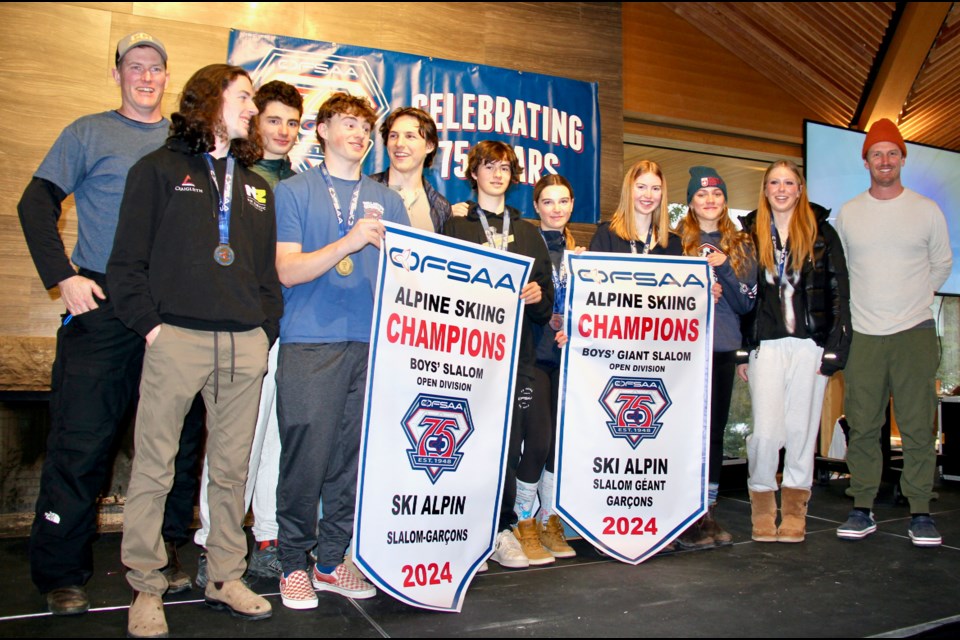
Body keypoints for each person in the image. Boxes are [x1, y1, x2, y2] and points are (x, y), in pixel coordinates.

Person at [16, 31, 201, 614]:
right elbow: (34, 202)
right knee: (81, 441)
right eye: (135, 66)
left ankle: (164, 556)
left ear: (167, 78)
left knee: (175, 442)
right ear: (117, 73)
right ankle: (62, 573)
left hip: (172, 314)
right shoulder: (88, 132)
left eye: (156, 69)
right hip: (103, 308)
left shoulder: (186, 141)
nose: (146, 76)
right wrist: (64, 275)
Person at [108, 63, 282, 636]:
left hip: (243, 345)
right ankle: (146, 586)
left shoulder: (256, 185)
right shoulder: (156, 170)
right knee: (154, 469)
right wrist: (153, 329)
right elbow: (126, 265)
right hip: (175, 338)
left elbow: (264, 275)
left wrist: (264, 329)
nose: (253, 110)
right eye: (245, 98)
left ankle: (226, 574)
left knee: (232, 472)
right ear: (210, 101)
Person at [273, 92, 409, 610]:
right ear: (323, 129)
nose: (359, 132)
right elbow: (288, 270)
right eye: (348, 123)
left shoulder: (389, 201)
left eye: (365, 125)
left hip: (373, 343)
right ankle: (292, 564)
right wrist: (350, 242)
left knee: (351, 460)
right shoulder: (293, 192)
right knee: (307, 458)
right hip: (311, 340)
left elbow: (411, 274)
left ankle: (330, 561)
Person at [193, 79, 305, 586]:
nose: (283, 131)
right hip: (247, 325)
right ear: (255, 121)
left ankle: (267, 538)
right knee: (236, 441)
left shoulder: (305, 184)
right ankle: (213, 544)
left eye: (292, 123)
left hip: (295, 328)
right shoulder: (232, 175)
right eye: (274, 119)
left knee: (279, 440)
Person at [835, 118, 952, 547]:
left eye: (891, 153)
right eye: (876, 154)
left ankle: (920, 510)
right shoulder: (848, 213)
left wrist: (915, 296)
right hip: (864, 335)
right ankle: (861, 506)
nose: (884, 160)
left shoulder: (926, 209)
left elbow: (941, 263)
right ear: (865, 161)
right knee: (863, 426)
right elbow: (842, 273)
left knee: (919, 426)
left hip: (914, 333)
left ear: (903, 158)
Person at [443, 141, 554, 569]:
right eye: (488, 166)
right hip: (470, 359)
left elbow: (545, 308)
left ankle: (501, 530)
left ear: (513, 176)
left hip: (519, 357)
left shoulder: (528, 233)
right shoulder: (455, 227)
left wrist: (537, 294)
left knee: (508, 447)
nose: (497, 174)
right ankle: (468, 529)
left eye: (505, 168)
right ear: (474, 173)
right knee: (469, 443)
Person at [737, 160, 851, 543]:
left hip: (810, 346)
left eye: (789, 182)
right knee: (767, 433)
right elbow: (742, 297)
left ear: (800, 189)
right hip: (765, 346)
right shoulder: (749, 234)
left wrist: (836, 348)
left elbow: (839, 291)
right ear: (765, 189)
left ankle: (796, 509)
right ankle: (763, 506)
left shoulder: (823, 233)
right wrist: (741, 352)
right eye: (774, 182)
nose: (781, 188)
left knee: (802, 432)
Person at [677, 166, 756, 549]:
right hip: (682, 351)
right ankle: (678, 509)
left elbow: (746, 302)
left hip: (722, 348)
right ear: (691, 203)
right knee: (683, 432)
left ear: (724, 201)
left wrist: (722, 267)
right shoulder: (675, 240)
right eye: (701, 195)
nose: (709, 200)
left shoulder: (741, 243)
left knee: (713, 432)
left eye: (716, 195)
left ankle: (706, 511)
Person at [528, 174, 578, 559]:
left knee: (559, 445)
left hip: (572, 361)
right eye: (548, 201)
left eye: (563, 201)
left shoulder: (582, 254)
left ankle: (550, 518)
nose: (556, 208)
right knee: (539, 440)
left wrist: (573, 326)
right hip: (535, 357)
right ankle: (522, 520)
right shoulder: (525, 246)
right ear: (536, 206)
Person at [370, 106, 452, 232]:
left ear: (429, 146)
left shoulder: (441, 208)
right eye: (393, 136)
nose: (399, 144)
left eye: (410, 136)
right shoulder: (365, 189)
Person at [588, 159, 682, 255]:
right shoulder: (607, 235)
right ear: (629, 190)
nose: (648, 195)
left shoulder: (673, 241)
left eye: (655, 188)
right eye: (641, 187)